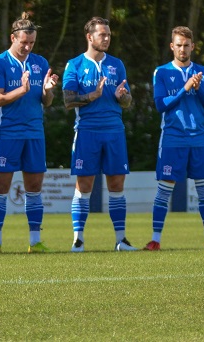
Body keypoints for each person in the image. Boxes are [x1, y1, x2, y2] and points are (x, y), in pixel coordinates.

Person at [144, 26, 204, 251]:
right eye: (178, 45)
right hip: (173, 137)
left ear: (193, 47)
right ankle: (155, 240)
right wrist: (185, 88)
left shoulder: (202, 71)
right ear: (172, 46)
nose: (182, 49)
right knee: (165, 189)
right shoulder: (161, 72)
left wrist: (198, 89)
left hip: (199, 138)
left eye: (186, 45)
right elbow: (161, 105)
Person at [0, 13, 59, 254]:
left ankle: (35, 241)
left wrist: (48, 91)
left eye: (32, 43)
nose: (27, 47)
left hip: (35, 133)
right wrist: (21, 89)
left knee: (35, 186)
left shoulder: (40, 63)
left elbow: (46, 102)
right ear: (13, 38)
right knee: (1, 187)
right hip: (7, 133)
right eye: (23, 42)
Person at [62, 16, 136, 252]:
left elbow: (127, 101)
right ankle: (78, 239)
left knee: (117, 183)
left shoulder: (117, 64)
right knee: (84, 185)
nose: (106, 38)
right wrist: (91, 96)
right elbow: (67, 100)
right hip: (87, 132)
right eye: (102, 34)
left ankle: (121, 240)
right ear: (89, 37)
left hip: (114, 132)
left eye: (108, 35)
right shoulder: (74, 65)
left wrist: (122, 97)